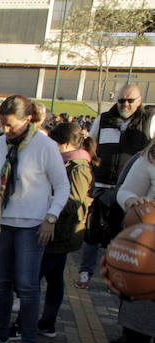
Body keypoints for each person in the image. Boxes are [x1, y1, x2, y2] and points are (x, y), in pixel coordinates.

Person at [0, 95, 70, 343]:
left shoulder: (44, 146)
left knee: (27, 286)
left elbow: (62, 186)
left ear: (28, 120)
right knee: (1, 284)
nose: (5, 130)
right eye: (1, 124)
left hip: (33, 224)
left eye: (10, 125)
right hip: (3, 223)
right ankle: (1, 336)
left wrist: (51, 217)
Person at [77, 84, 154, 292]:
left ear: (139, 101)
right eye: (121, 100)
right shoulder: (104, 119)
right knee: (92, 232)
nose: (125, 105)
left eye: (130, 101)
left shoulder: (148, 120)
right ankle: (85, 272)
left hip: (131, 188)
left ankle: (116, 275)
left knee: (121, 236)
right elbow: (90, 144)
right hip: (102, 184)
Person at [31, 122, 97, 338]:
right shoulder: (69, 163)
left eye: (55, 144)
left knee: (37, 278)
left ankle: (29, 323)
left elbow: (74, 201)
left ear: (67, 144)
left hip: (62, 232)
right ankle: (47, 323)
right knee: (54, 278)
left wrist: (49, 201)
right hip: (60, 232)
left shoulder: (78, 168)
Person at [105, 139, 155, 343]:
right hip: (150, 243)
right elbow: (125, 190)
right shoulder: (151, 157)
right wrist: (133, 202)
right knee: (142, 306)